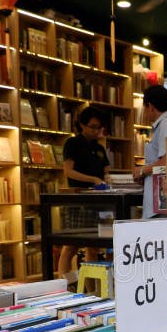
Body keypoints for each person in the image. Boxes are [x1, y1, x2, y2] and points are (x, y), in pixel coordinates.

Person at [57, 107, 110, 280]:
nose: (96, 131)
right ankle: (66, 286)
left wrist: (107, 179)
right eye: (93, 127)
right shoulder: (72, 143)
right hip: (78, 200)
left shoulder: (99, 147)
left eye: (99, 127)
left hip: (98, 202)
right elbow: (68, 171)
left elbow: (106, 171)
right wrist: (93, 179)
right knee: (71, 246)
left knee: (93, 246)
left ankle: (91, 288)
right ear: (82, 125)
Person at [135, 85, 167, 219]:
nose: (145, 112)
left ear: (150, 106)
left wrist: (142, 171)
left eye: (144, 107)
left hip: (163, 201)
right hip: (162, 200)